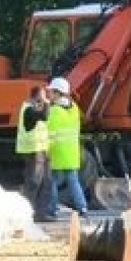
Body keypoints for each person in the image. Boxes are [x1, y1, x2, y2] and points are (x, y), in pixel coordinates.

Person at [46, 77, 89, 216]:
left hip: (57, 151)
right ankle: (82, 207)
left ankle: (51, 209)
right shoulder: (74, 108)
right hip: (72, 151)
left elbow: (49, 133)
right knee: (73, 180)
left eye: (51, 92)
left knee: (51, 181)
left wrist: (45, 151)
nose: (49, 94)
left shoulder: (53, 111)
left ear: (58, 93)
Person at [16, 83, 54, 222]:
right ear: (37, 96)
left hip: (42, 149)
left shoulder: (34, 107)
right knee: (34, 182)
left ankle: (41, 214)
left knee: (46, 182)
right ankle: (28, 213)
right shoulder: (28, 109)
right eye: (43, 94)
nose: (45, 97)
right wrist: (46, 102)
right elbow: (44, 116)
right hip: (33, 150)